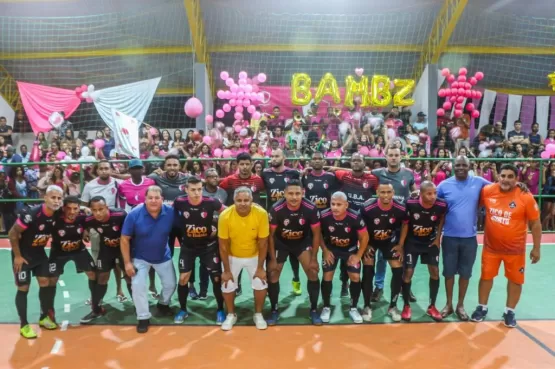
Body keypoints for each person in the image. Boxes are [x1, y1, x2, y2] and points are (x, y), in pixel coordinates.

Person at [470, 164, 542, 328]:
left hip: (515, 250)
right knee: (486, 277)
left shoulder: (525, 196)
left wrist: (537, 248)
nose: (506, 179)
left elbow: (535, 223)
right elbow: (471, 201)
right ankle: (482, 307)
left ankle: (509, 311)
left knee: (515, 281)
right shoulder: (488, 191)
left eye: (510, 176)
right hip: (491, 248)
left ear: (517, 179)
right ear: (498, 176)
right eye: (503, 176)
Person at [436, 156, 491, 320]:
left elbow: (500, 188)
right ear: (453, 166)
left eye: (463, 165)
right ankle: (448, 304)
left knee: (465, 274)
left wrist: (519, 186)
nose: (460, 167)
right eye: (457, 165)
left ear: (469, 166)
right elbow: (431, 200)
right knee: (448, 273)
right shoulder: (444, 185)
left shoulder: (479, 182)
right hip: (449, 238)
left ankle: (460, 305)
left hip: (469, 239)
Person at [9, 185, 63, 339]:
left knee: (45, 282)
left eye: (59, 198)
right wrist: (18, 257)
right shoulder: (31, 214)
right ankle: (24, 325)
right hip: (23, 256)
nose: (56, 201)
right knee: (23, 288)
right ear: (45, 198)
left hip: (39, 254)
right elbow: (13, 233)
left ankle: (44, 317)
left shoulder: (57, 213)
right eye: (53, 197)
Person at [121, 186, 177, 333]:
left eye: (157, 198)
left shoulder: (171, 212)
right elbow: (124, 239)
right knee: (138, 286)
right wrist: (127, 263)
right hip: (140, 258)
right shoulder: (134, 214)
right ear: (145, 199)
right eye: (150, 198)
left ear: (162, 199)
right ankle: (143, 317)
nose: (153, 201)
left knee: (171, 285)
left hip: (163, 256)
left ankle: (163, 304)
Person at [267, 179, 322, 325]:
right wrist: (272, 259)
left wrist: (314, 258)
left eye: (298, 193)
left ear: (303, 193)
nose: (294, 197)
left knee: (313, 272)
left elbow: (317, 234)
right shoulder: (276, 209)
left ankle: (314, 310)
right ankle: (274, 309)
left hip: (302, 243)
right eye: (290, 193)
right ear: (284, 194)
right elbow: (270, 236)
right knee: (273, 274)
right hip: (281, 243)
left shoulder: (310, 208)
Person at [173, 176, 226, 324]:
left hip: (208, 247)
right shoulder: (179, 202)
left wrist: (218, 227)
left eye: (199, 189)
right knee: (183, 278)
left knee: (216, 278)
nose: (196, 193)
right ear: (186, 189)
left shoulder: (211, 202)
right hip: (188, 247)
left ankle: (220, 309)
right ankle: (183, 309)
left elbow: (228, 213)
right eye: (193, 190)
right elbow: (171, 216)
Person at [218, 187, 269, 331]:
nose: (243, 203)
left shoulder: (261, 214)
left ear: (252, 200)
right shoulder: (225, 215)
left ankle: (258, 314)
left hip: (254, 255)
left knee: (260, 282)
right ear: (233, 201)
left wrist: (260, 268)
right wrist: (227, 270)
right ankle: (231, 314)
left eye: (246, 200)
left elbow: (263, 242)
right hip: (232, 256)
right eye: (239, 200)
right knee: (227, 284)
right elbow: (223, 245)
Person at [371, 145, 416, 303]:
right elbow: (357, 172)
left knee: (403, 255)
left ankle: (405, 287)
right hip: (384, 222)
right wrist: (329, 167)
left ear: (401, 156)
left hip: (402, 222)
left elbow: (414, 192)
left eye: (396, 155)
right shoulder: (378, 173)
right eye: (390, 155)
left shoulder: (408, 174)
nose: (393, 157)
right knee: (382, 258)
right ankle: (379, 286)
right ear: (386, 156)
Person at [360, 183, 408, 322]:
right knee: (368, 270)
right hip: (371, 241)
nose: (386, 195)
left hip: (389, 241)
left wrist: (400, 245)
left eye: (388, 192)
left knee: (398, 270)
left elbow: (405, 224)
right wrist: (365, 244)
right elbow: (360, 228)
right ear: (377, 192)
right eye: (382, 192)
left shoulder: (400, 208)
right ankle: (367, 306)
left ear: (393, 192)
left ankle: (393, 306)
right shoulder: (367, 207)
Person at [219, 153, 265, 295]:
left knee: (256, 248)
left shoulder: (258, 180)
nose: (244, 167)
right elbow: (219, 192)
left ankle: (259, 283)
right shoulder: (230, 180)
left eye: (247, 164)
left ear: (251, 165)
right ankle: (236, 284)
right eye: (242, 164)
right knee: (233, 253)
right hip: (234, 222)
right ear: (237, 165)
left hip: (253, 221)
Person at [400, 181, 447, 322]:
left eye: (435, 193)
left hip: (430, 242)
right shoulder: (410, 203)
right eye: (429, 193)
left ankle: (432, 306)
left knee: (435, 271)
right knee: (408, 272)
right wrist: (401, 245)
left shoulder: (441, 205)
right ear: (421, 194)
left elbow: (441, 220)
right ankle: (406, 306)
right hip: (412, 242)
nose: (433, 196)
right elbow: (405, 224)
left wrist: (438, 239)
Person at [319, 191, 369, 324]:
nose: (335, 207)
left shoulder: (355, 217)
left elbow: (364, 237)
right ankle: (326, 307)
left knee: (355, 277)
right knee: (327, 275)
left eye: (339, 204)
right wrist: (324, 250)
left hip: (350, 251)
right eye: (333, 204)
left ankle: (353, 308)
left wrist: (358, 255)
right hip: (332, 250)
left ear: (346, 205)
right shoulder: (324, 215)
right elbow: (317, 234)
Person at [261, 148, 303, 296]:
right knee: (270, 252)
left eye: (276, 155)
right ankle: (268, 283)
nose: (273, 158)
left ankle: (296, 279)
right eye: (271, 156)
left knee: (294, 253)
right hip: (273, 218)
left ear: (284, 157)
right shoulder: (265, 173)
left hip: (292, 216)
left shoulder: (293, 173)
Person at [81, 196, 129, 323]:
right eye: (94, 210)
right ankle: (96, 309)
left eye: (101, 209)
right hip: (106, 249)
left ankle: (138, 306)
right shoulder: (90, 219)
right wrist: (85, 231)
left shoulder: (120, 215)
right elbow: (81, 222)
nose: (98, 213)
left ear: (107, 207)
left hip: (122, 248)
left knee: (129, 275)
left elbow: (131, 232)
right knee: (102, 277)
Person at [49, 196, 96, 322]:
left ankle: (96, 304)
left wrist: (86, 230)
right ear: (63, 208)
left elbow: (90, 221)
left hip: (78, 250)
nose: (72, 212)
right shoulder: (55, 217)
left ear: (79, 209)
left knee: (93, 274)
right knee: (51, 280)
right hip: (58, 252)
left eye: (75, 208)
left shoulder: (82, 217)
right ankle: (49, 310)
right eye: (68, 208)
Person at [148, 155, 189, 296]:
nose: (172, 167)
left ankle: (190, 284)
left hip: (181, 224)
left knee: (187, 255)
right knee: (160, 255)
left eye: (175, 165)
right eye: (169, 165)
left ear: (179, 166)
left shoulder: (186, 179)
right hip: (163, 225)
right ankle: (153, 286)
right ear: (164, 166)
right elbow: (144, 180)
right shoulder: (157, 178)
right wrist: (154, 173)